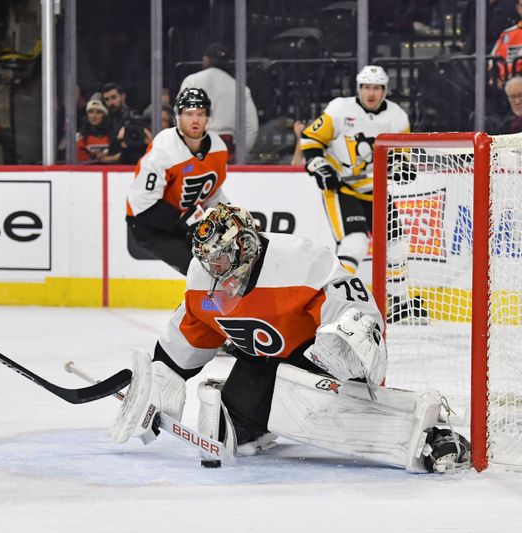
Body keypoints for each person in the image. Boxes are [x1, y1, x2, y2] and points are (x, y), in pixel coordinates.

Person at [109, 203, 471, 474]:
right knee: (231, 432)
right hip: (262, 364)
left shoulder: (299, 261)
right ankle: (270, 420)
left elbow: (358, 314)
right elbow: (188, 334)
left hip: (313, 359)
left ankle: (429, 438)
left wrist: (348, 343)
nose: (213, 270)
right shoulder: (204, 281)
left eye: (220, 259)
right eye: (208, 261)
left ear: (245, 246)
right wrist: (160, 383)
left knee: (323, 405)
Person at [301, 65, 426, 323]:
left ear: (385, 90)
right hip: (343, 190)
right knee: (355, 244)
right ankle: (338, 304)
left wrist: (402, 168)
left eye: (377, 87)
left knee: (396, 247)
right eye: (367, 87)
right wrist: (320, 167)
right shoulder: (339, 109)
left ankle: (399, 303)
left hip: (376, 191)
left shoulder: (397, 117)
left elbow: (400, 155)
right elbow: (311, 141)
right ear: (358, 89)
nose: (371, 93)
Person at [125, 87, 228, 275]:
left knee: (225, 262)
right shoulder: (164, 148)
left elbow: (212, 194)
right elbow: (141, 202)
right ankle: (197, 304)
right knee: (199, 269)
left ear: (208, 117)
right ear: (178, 117)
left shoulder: (218, 147)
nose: (195, 120)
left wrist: (228, 215)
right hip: (148, 222)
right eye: (189, 114)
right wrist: (184, 220)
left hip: (184, 218)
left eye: (200, 113)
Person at [179, 43, 259, 162]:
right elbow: (252, 128)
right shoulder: (240, 88)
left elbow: (181, 118)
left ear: (206, 60)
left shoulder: (192, 81)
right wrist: (240, 155)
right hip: (226, 148)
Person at [101, 82, 152, 164]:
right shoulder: (109, 120)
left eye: (114, 97)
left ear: (123, 97)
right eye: (107, 99)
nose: (110, 103)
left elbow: (137, 149)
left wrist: (113, 158)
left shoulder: (134, 119)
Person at [490, 1, 522, 83]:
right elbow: (494, 57)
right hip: (506, 82)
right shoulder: (507, 34)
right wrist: (498, 76)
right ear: (518, 8)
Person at [76, 98, 111, 163]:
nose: (94, 116)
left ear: (104, 115)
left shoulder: (112, 135)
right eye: (91, 112)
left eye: (98, 112)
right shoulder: (80, 137)